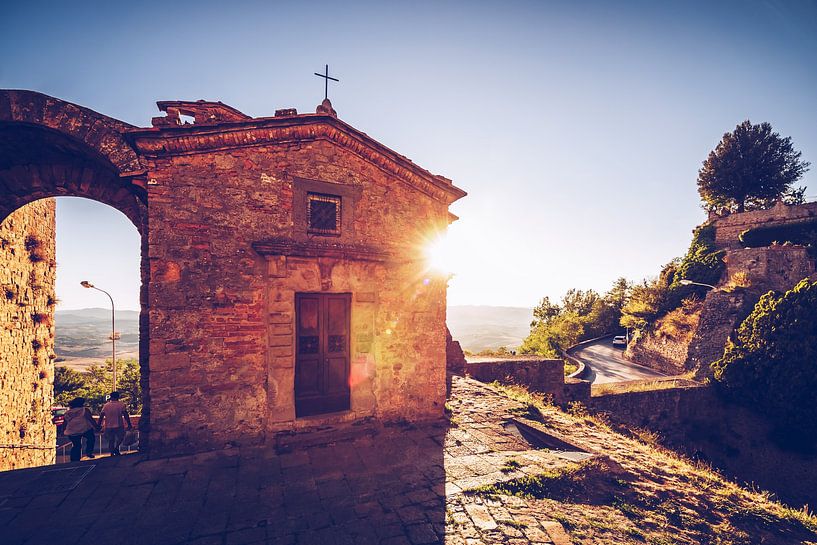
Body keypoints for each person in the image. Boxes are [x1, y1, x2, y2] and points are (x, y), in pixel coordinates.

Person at [63, 397, 99, 461]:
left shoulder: (68, 412)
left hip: (72, 430)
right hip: (84, 429)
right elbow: (90, 419)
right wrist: (96, 426)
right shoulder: (84, 410)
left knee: (76, 445)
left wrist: (64, 430)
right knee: (91, 438)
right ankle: (89, 451)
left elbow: (65, 422)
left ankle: (75, 459)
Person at [98, 392, 132, 456]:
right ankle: (116, 447)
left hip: (108, 425)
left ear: (111, 397)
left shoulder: (106, 405)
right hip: (119, 424)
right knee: (121, 437)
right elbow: (125, 414)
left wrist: (98, 425)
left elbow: (101, 415)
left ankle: (112, 452)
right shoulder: (121, 404)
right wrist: (129, 423)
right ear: (118, 397)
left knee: (111, 440)